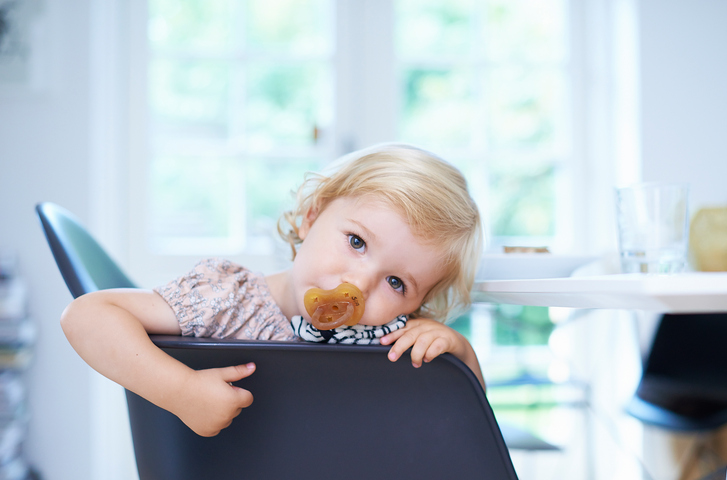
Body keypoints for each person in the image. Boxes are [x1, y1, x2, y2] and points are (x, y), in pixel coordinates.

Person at [60, 143, 484, 438]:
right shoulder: (227, 299)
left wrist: (459, 353)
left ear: (418, 302)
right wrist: (180, 391)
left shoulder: (395, 336)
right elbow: (87, 315)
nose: (359, 285)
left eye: (396, 283)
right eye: (356, 242)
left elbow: (464, 425)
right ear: (311, 217)